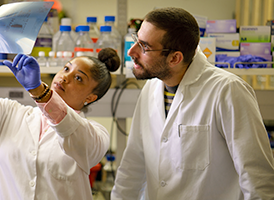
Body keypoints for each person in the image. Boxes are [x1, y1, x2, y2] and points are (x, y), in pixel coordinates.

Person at [0, 17, 120, 200]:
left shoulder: (96, 136)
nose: (65, 77)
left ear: (90, 97)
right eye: (66, 69)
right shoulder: (9, 115)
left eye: (79, 78)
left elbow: (71, 130)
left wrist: (39, 92)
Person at [111, 7, 274, 200]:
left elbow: (257, 177)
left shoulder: (227, 90)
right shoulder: (151, 89)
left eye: (144, 47)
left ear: (175, 58)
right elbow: (133, 164)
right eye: (136, 39)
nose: (132, 51)